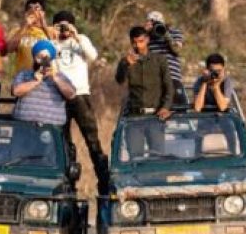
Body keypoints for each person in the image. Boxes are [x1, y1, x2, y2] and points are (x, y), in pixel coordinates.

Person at [52, 10, 109, 195]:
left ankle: (104, 180)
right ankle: (69, 183)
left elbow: (93, 56)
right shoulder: (52, 43)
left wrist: (76, 36)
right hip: (59, 96)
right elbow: (43, 59)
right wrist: (52, 37)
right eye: (59, 25)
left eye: (66, 25)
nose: (63, 29)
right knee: (63, 141)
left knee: (92, 138)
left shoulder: (80, 39)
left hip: (80, 94)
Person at [116, 26, 173, 157]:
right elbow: (119, 80)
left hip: (155, 116)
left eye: (141, 41)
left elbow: (169, 86)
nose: (138, 45)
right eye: (134, 42)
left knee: (157, 157)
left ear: (147, 40)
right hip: (134, 117)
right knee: (135, 158)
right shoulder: (126, 61)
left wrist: (165, 107)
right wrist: (126, 65)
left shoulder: (159, 60)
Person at [11, 40, 75, 126]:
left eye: (46, 57)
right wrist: (35, 82)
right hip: (24, 125)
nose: (43, 61)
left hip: (51, 127)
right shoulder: (24, 74)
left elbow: (71, 94)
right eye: (39, 57)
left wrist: (55, 78)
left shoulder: (60, 76)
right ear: (34, 58)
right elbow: (15, 91)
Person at [144, 11, 185, 105]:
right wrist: (144, 32)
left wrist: (165, 34)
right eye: (152, 22)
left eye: (157, 22)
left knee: (180, 108)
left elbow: (177, 50)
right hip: (155, 80)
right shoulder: (146, 37)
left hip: (172, 77)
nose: (155, 26)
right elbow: (138, 53)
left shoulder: (174, 32)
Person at [7, 0, 54, 74]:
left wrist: (44, 26)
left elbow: (57, 48)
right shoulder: (17, 31)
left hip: (45, 78)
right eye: (29, 8)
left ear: (43, 13)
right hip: (23, 78)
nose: (33, 11)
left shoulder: (51, 30)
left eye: (36, 8)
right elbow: (9, 48)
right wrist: (26, 25)